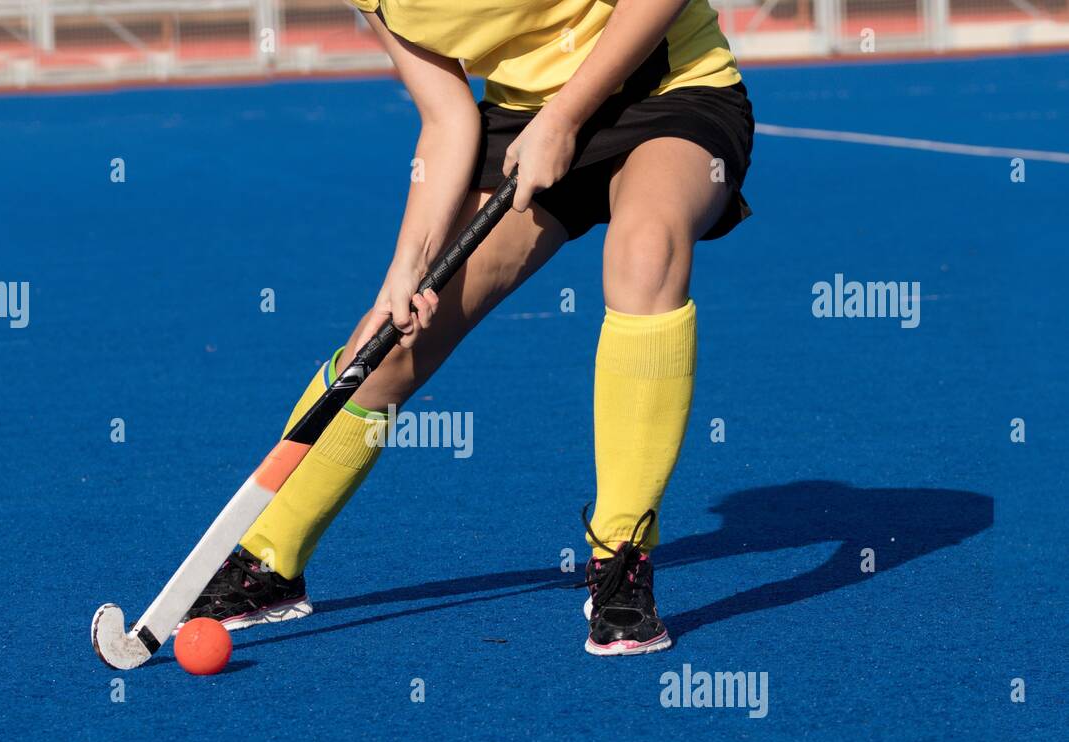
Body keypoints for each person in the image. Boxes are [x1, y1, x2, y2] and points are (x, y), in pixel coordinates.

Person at [188, 0, 754, 656]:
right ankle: (267, 559)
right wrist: (404, 271)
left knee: (644, 249)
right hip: (524, 122)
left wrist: (567, 115)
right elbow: (447, 115)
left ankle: (621, 557)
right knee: (391, 339)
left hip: (669, 94)